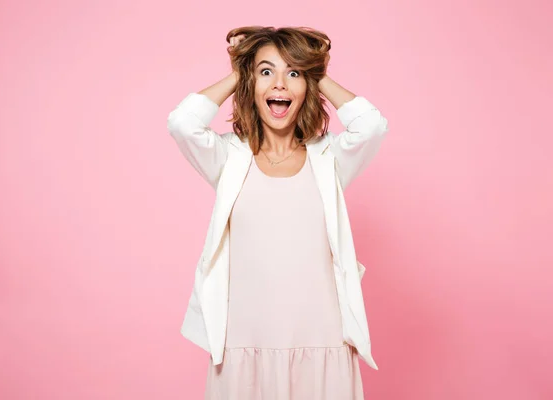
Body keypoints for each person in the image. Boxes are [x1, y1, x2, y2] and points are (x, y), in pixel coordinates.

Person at [167, 25, 389, 400]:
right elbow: (181, 123)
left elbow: (371, 126)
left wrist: (318, 70)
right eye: (266, 72)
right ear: (250, 87)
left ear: (308, 87)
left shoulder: (329, 159)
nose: (280, 84)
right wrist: (239, 70)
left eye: (294, 73)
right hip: (243, 342)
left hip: (323, 341)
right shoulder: (228, 158)